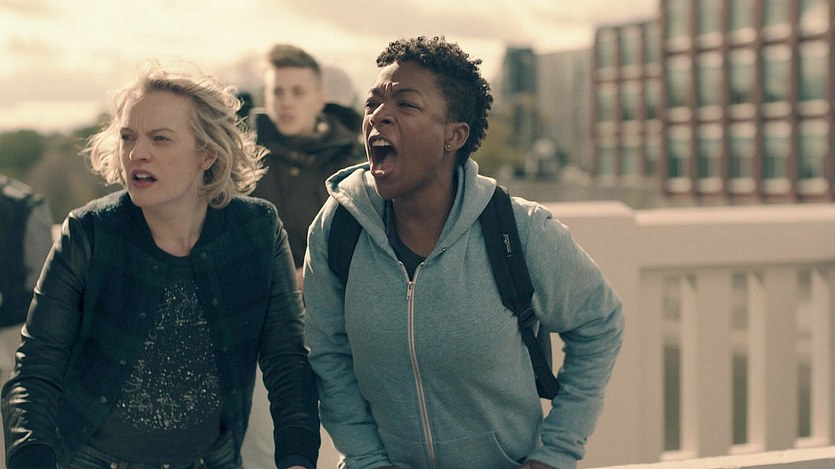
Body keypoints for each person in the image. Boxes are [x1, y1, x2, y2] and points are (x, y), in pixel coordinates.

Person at [303, 36, 625, 469]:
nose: (378, 115)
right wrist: (365, 459)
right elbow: (328, 355)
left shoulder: (519, 231)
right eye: (372, 103)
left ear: (453, 136)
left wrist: (557, 452)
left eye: (406, 104)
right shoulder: (339, 227)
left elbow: (600, 323)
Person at [0, 63, 320, 469]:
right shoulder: (89, 232)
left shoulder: (257, 229)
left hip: (212, 460)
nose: (137, 153)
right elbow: (36, 370)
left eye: (160, 138)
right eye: (128, 137)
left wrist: (297, 458)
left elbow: (286, 359)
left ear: (207, 153)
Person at [249, 44, 363, 272]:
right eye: (277, 92)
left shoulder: (351, 163)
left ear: (320, 99)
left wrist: (312, 275)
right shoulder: (245, 160)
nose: (286, 102)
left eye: (298, 92)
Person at [0, 174, 54, 383]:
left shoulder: (24, 203)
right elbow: (43, 276)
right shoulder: (25, 201)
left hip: (16, 322)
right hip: (20, 319)